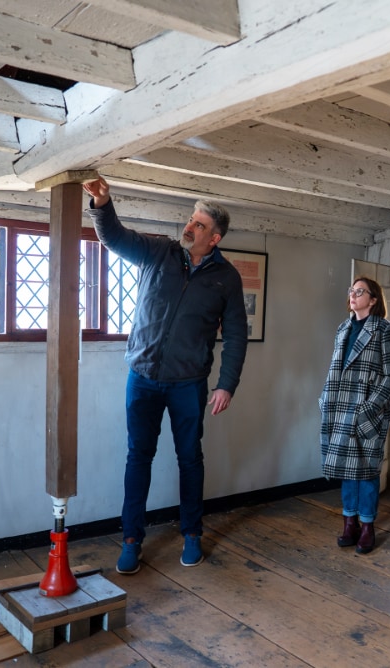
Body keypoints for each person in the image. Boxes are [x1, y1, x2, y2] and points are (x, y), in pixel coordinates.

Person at [83, 175, 248, 574]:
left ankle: (192, 535)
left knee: (190, 459)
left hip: (189, 384)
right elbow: (116, 238)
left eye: (200, 225)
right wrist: (103, 204)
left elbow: (237, 334)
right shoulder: (159, 252)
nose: (190, 228)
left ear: (216, 238)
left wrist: (226, 384)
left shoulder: (227, 278)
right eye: (191, 221)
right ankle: (131, 540)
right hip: (142, 377)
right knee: (138, 457)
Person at [320, 277, 390, 554]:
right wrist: (325, 400)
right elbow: (336, 368)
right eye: (351, 290)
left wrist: (370, 407)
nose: (353, 295)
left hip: (367, 410)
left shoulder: (386, 330)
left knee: (367, 470)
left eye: (360, 291)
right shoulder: (343, 327)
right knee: (346, 469)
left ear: (374, 299)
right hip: (339, 407)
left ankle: (367, 526)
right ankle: (349, 522)